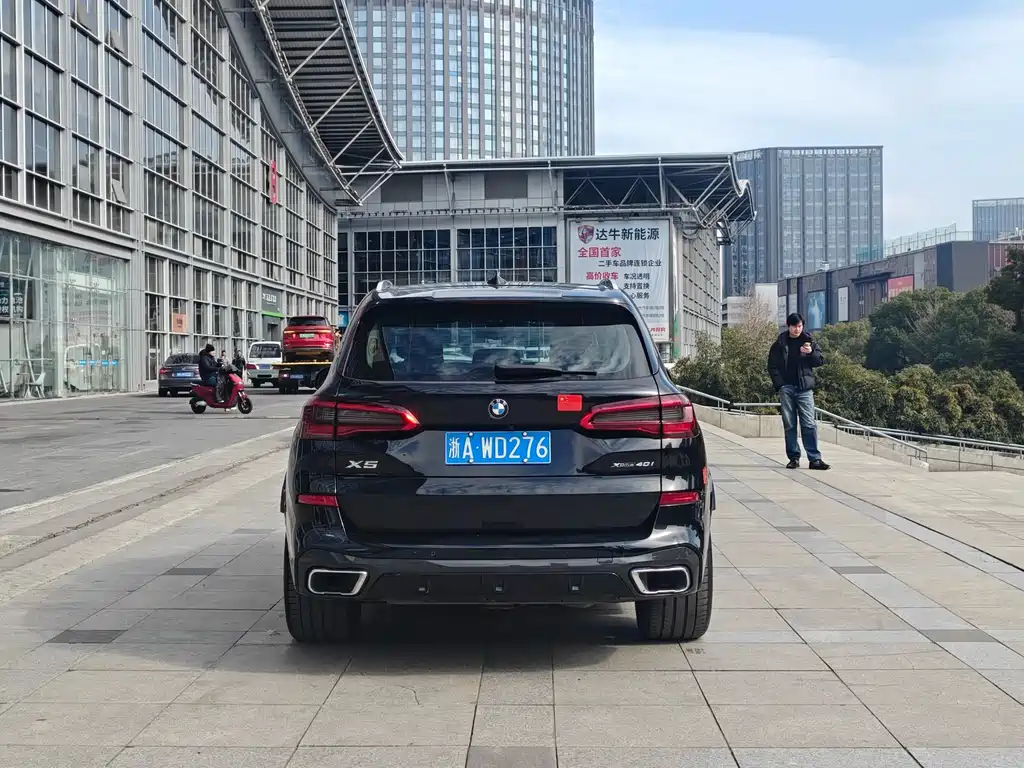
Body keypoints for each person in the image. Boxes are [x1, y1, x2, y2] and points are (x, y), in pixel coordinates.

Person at [767, 313, 830, 470]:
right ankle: (794, 458)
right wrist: (780, 385)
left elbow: (820, 361)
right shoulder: (780, 343)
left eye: (800, 326)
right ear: (788, 326)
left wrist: (810, 353)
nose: (797, 329)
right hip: (786, 388)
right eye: (794, 326)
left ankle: (814, 459)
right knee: (790, 424)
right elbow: (772, 366)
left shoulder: (809, 341)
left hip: (804, 389)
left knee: (809, 423)